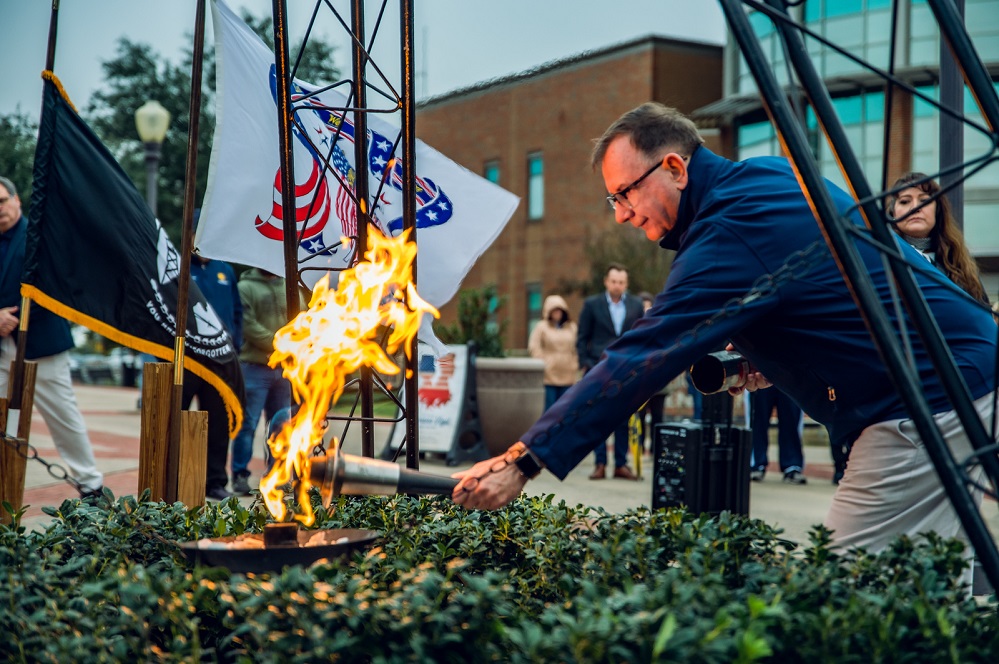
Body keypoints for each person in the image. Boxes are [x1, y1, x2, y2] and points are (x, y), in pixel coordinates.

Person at [452, 103, 997, 589]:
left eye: (625, 193)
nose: (620, 213)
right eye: (610, 199)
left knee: (839, 598)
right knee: (924, 587)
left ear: (674, 167)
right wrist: (777, 355)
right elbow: (825, 296)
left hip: (929, 398)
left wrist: (523, 460)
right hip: (963, 369)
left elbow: (644, 352)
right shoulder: (767, 176)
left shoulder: (729, 230)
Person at [0, 176, 103, 498]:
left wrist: (11, 318)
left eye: (2, 201)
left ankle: (91, 486)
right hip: (0, 347)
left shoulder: (40, 237)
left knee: (63, 416)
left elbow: (60, 287)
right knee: (4, 420)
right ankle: (5, 483)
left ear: (16, 200)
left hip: (42, 344)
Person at [185, 214, 244, 501]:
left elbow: (236, 312)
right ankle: (176, 476)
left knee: (218, 423)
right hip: (186, 359)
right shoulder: (179, 269)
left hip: (219, 360)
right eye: (198, 233)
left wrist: (237, 345)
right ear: (190, 235)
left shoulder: (225, 271)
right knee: (179, 420)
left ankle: (215, 482)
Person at [576, 263, 644, 480]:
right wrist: (586, 362)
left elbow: (642, 334)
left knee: (623, 417)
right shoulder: (592, 304)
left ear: (627, 284)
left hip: (627, 368)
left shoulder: (636, 305)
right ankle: (600, 463)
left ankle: (621, 465)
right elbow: (582, 337)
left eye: (621, 282)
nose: (617, 286)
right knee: (597, 418)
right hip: (598, 367)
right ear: (606, 282)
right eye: (614, 281)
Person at [229, 268, 292, 495]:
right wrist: (280, 344)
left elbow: (303, 317)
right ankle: (239, 476)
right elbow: (247, 325)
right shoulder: (245, 287)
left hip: (284, 368)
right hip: (254, 367)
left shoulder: (289, 285)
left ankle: (277, 474)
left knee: (281, 424)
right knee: (247, 424)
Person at [887, 171, 989, 305]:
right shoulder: (883, 255)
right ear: (892, 212)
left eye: (925, 200)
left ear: (938, 210)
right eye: (905, 201)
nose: (915, 207)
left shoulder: (961, 264)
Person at [528, 294, 579, 412]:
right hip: (549, 375)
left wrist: (575, 363)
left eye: (559, 310)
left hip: (568, 374)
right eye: (554, 310)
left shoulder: (572, 327)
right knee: (549, 410)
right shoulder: (541, 327)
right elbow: (533, 346)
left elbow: (577, 347)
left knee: (566, 410)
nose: (557, 313)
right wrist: (543, 361)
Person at [749, 387, 806, 484]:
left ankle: (792, 465)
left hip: (790, 375)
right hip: (762, 374)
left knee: (791, 421)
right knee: (757, 420)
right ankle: (756, 464)